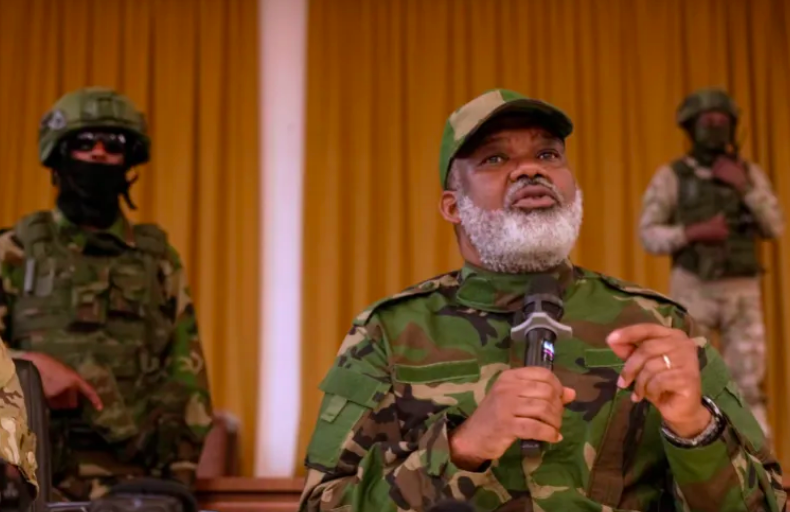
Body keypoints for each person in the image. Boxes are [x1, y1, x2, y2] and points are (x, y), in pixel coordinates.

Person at [299, 89, 784, 511]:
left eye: (548, 155)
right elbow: (323, 505)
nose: (530, 168)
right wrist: (462, 447)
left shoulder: (659, 324)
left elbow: (769, 505)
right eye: (494, 159)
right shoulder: (388, 332)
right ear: (453, 206)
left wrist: (694, 428)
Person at [0, 87, 213, 500]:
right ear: (58, 156)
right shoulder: (15, 251)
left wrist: (177, 487)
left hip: (134, 487)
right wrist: (28, 367)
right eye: (84, 142)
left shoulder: (157, 259)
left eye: (113, 144)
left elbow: (188, 381)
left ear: (128, 161)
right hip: (30, 481)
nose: (98, 153)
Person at [639, 88, 784, 439]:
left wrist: (744, 186)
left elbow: (775, 226)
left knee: (748, 385)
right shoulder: (673, 176)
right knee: (690, 378)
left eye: (722, 120)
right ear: (692, 127)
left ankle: (757, 459)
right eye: (708, 121)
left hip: (741, 289)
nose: (716, 127)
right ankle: (699, 455)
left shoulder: (748, 174)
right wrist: (692, 232)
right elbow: (648, 234)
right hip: (693, 287)